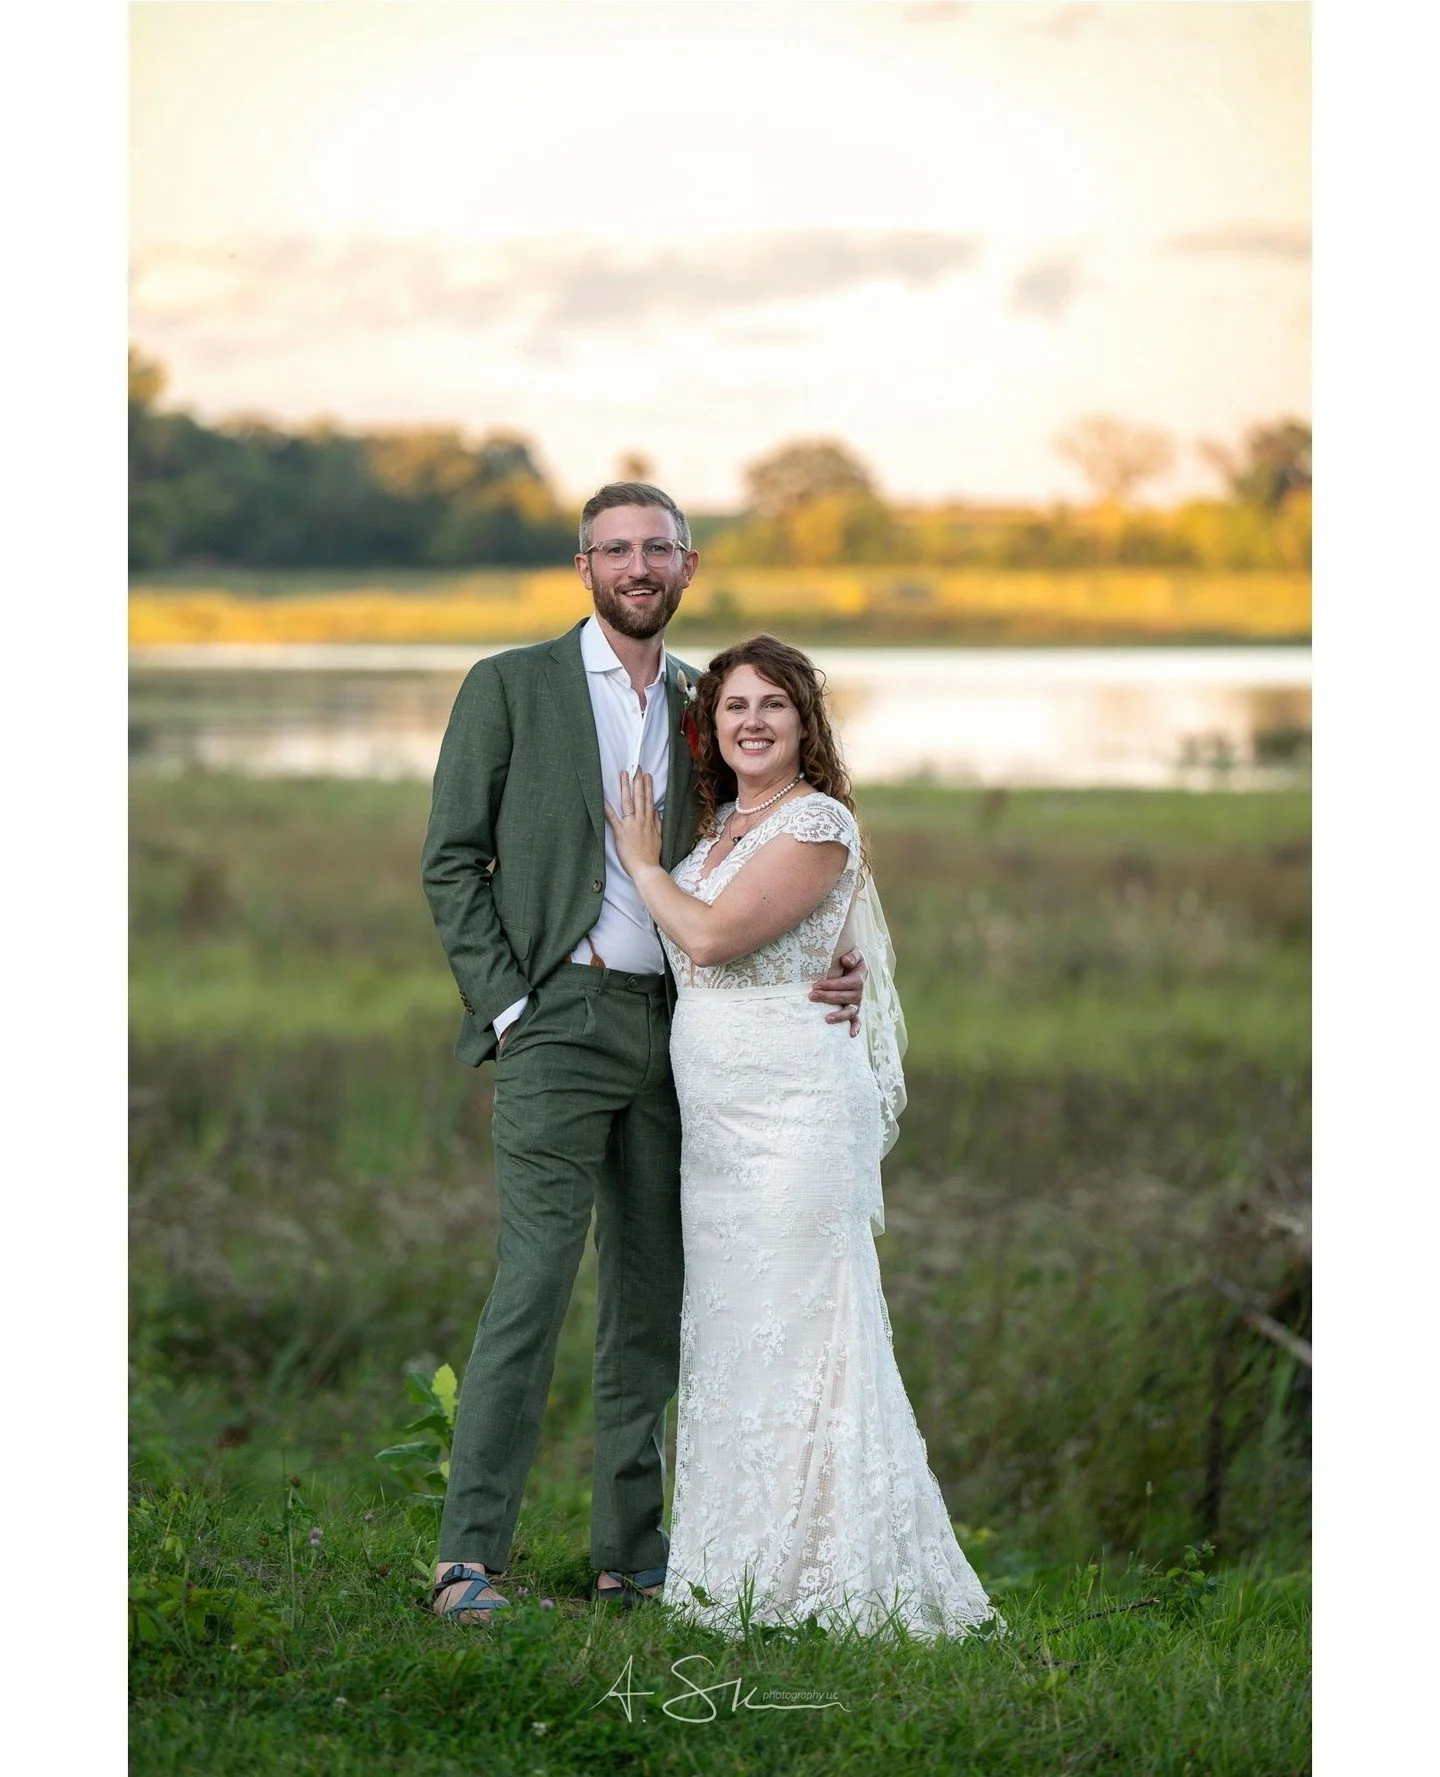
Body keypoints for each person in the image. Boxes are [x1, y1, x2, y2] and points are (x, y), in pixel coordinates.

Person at [420, 484, 869, 1623]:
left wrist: (838, 951)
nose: (636, 566)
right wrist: (510, 1007)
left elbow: (770, 843)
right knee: (532, 1284)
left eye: (656, 549)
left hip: (681, 1036)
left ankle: (631, 1555)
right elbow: (451, 859)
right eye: (614, 549)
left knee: (648, 1296)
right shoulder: (508, 687)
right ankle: (470, 1556)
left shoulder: (703, 703)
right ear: (584, 567)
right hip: (555, 1021)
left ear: (687, 566)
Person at [604, 633, 997, 1639]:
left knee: (805, 1333)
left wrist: (640, 864)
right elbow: (813, 941)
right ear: (711, 724)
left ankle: (837, 1571)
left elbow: (709, 937)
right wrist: (843, 957)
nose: (752, 721)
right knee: (735, 1335)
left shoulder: (817, 822)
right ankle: (734, 1569)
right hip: (717, 1130)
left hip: (794, 1118)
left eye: (772, 704)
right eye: (734, 705)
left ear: (803, 722)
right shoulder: (719, 829)